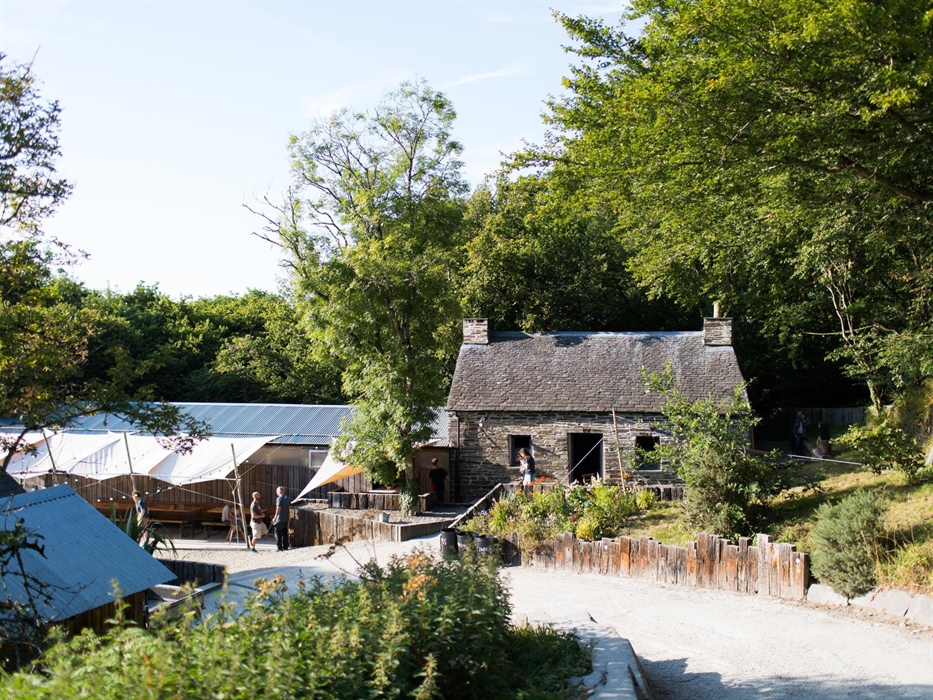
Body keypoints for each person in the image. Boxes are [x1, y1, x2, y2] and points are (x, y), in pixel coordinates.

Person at [272, 486, 291, 551]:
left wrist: (275, 517)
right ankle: (285, 546)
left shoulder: (279, 498)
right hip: (286, 518)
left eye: (277, 491)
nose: (276, 492)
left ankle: (279, 547)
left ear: (280, 491)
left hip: (279, 518)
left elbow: (278, 508)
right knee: (285, 533)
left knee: (278, 533)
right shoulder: (287, 498)